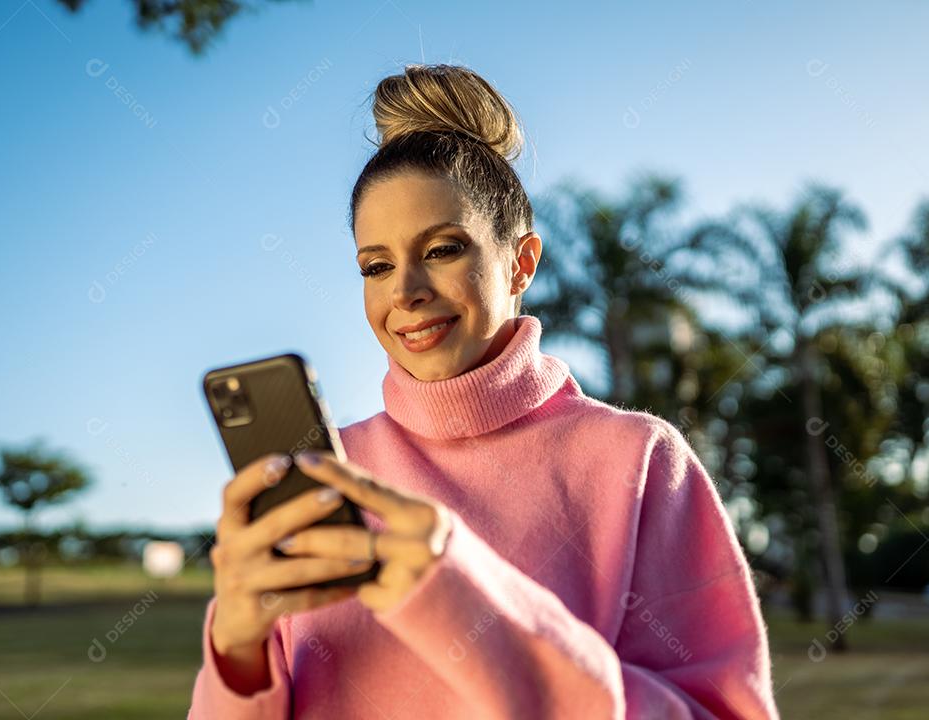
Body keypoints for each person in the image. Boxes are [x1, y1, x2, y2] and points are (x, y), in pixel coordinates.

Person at [187, 63, 780, 719]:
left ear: (521, 262)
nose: (405, 291)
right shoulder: (330, 469)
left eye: (442, 249)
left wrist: (461, 598)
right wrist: (236, 653)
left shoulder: (637, 458)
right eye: (376, 266)